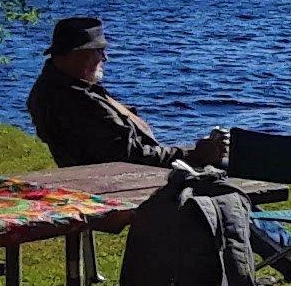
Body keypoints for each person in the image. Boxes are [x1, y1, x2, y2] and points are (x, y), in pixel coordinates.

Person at [25, 17, 229, 171]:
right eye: (98, 51)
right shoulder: (71, 100)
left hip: (129, 171)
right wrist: (192, 154)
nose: (105, 57)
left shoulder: (69, 88)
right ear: (75, 55)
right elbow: (129, 155)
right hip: (124, 179)